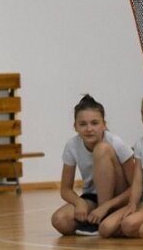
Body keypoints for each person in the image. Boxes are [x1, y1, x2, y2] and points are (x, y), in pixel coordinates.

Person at [50, 94, 134, 237]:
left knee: (101, 149)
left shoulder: (115, 142)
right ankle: (99, 221)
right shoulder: (72, 145)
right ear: (75, 126)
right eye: (83, 124)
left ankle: (106, 218)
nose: (89, 129)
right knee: (59, 220)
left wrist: (106, 206)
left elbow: (136, 187)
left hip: (120, 197)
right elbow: (65, 189)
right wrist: (79, 202)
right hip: (93, 197)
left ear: (104, 125)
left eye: (94, 123)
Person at [118, 93, 143, 240]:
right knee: (106, 228)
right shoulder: (141, 143)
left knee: (131, 226)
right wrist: (132, 204)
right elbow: (138, 180)